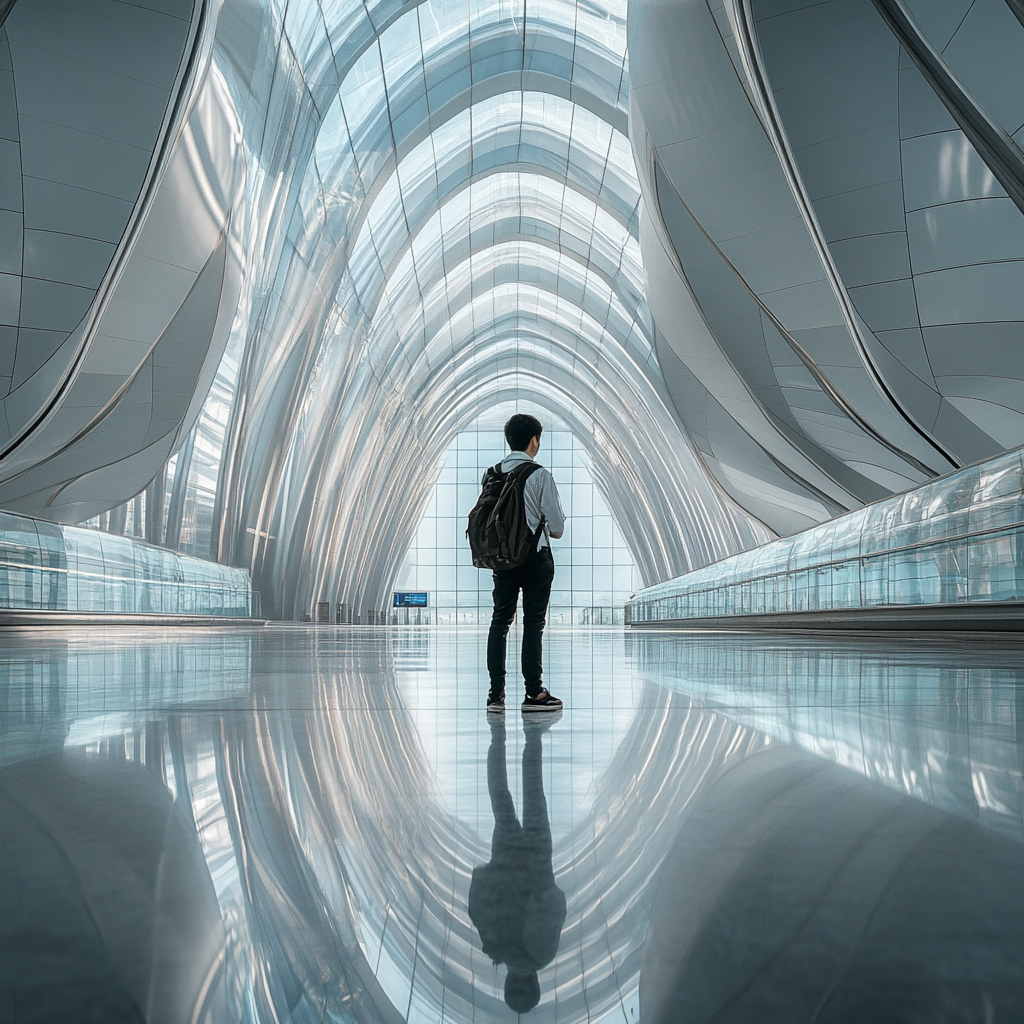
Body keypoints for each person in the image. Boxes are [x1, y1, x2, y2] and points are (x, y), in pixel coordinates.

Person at [469, 716, 566, 1012]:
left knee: (534, 791)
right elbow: (477, 906)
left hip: (537, 861)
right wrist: (492, 873)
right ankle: (497, 736)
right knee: (501, 801)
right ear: (508, 983)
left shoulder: (543, 954)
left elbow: (556, 905)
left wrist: (542, 889)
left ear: (536, 983)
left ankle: (532, 733)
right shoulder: (495, 948)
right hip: (506, 861)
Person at [485, 413, 565, 713]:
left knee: (500, 622)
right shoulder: (540, 474)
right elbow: (557, 527)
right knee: (533, 625)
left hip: (502, 560)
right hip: (534, 558)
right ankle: (534, 692)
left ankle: (495, 695)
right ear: (534, 440)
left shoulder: (492, 473)